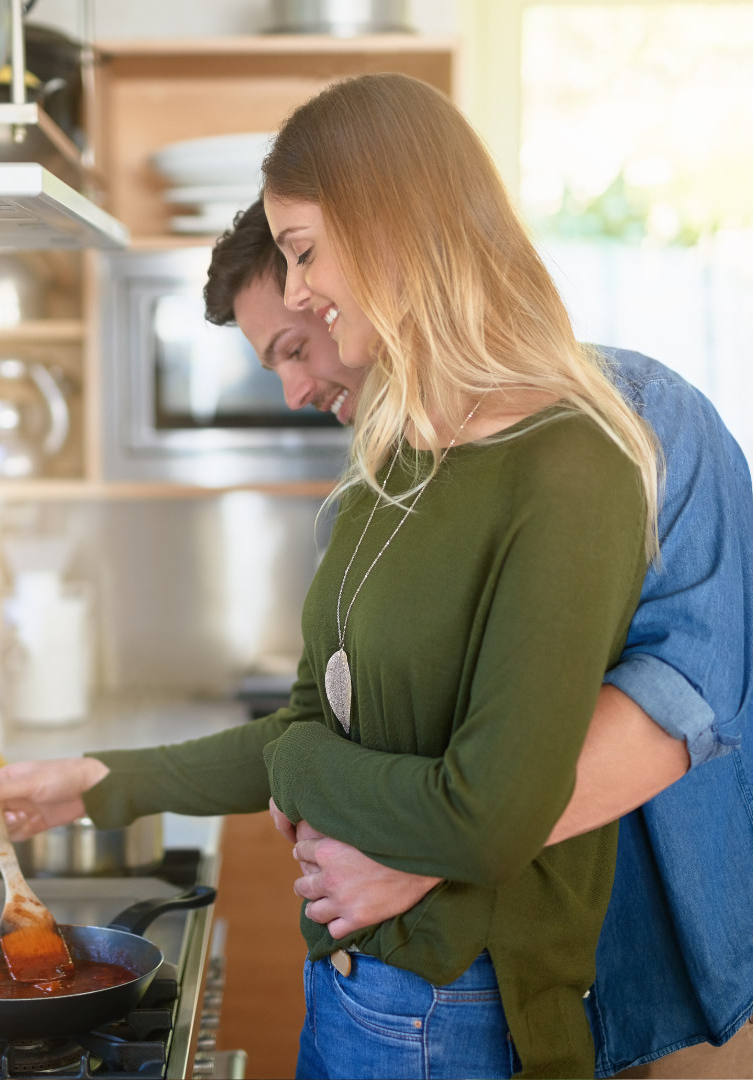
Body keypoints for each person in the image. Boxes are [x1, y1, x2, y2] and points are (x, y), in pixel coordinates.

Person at [0, 73, 661, 1079]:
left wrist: (300, 770)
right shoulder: (398, 468)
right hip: (347, 991)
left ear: (392, 222)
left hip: (458, 1011)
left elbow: (489, 820)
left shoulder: (570, 466)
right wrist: (101, 783)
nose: (298, 295)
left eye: (302, 257)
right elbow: (311, 721)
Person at [200, 199, 753, 1077]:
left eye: (302, 335)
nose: (297, 391)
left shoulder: (635, 419)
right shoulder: (359, 507)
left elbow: (690, 688)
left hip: (676, 960)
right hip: (484, 980)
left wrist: (425, 860)